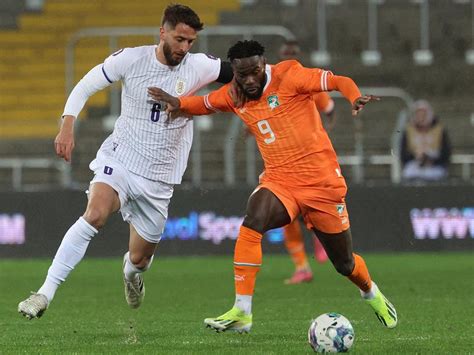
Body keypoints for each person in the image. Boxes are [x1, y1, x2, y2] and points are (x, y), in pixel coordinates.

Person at [148, 40, 398, 332]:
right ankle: (242, 312)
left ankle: (371, 292)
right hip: (280, 181)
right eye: (243, 75)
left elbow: (337, 81)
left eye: (255, 71)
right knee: (253, 219)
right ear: (235, 73)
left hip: (322, 184)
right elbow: (204, 104)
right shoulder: (235, 94)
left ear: (263, 64)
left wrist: (353, 96)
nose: (250, 80)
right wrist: (178, 103)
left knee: (344, 264)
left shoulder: (290, 76)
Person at [17, 4, 233, 320]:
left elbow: (243, 75)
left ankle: (130, 273)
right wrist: (67, 123)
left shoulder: (199, 66)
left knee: (140, 259)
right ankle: (44, 293)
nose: (184, 48)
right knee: (95, 213)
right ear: (163, 32)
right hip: (122, 159)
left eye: (190, 42)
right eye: (179, 39)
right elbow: (87, 84)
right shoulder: (132, 60)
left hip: (160, 178)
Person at [278, 40, 336, 284]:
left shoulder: (307, 82)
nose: (289, 57)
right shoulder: (271, 82)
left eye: (293, 53)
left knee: (311, 206)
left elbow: (330, 109)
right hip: (281, 159)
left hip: (308, 159)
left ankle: (319, 233)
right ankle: (302, 266)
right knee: (286, 216)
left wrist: (318, 136)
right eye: (286, 53)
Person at [400, 100, 451, 182]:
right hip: (415, 166)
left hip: (434, 166)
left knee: (436, 174)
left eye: (423, 115)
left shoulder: (439, 130)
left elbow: (446, 153)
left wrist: (431, 159)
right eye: (418, 115)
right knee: (409, 172)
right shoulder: (408, 130)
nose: (421, 118)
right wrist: (415, 156)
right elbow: (403, 154)